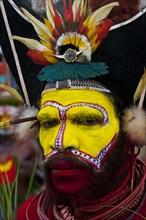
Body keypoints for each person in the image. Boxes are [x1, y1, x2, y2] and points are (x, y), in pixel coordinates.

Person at [0, 0, 145, 219]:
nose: (60, 141)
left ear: (129, 130)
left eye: (87, 120)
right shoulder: (29, 214)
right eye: (48, 123)